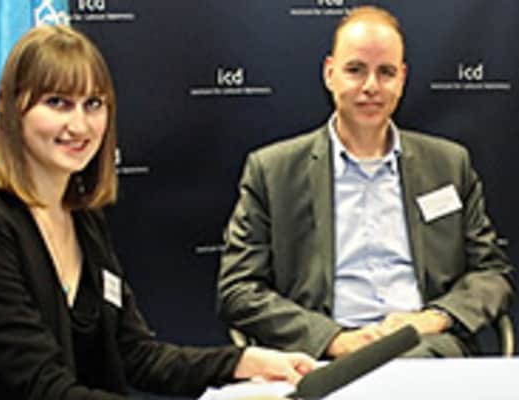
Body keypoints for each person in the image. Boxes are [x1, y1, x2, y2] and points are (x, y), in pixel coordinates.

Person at [0, 25, 315, 399]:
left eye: (93, 104)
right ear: (11, 109)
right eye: (58, 103)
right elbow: (43, 386)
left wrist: (244, 363)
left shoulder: (84, 220)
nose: (79, 125)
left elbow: (136, 355)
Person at [217, 5, 513, 359]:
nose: (371, 86)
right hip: (320, 356)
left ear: (402, 79)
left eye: (386, 72)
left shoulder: (449, 165)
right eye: (355, 70)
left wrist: (434, 318)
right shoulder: (272, 172)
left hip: (426, 348)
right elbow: (239, 289)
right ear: (330, 73)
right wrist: (332, 339)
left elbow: (491, 273)